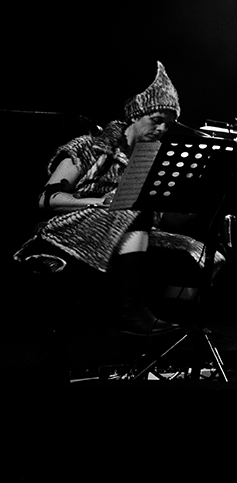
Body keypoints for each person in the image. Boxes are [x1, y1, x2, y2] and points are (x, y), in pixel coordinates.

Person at [14, 62, 208, 334]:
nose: (162, 129)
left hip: (128, 229)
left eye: (168, 124)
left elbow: (165, 219)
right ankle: (132, 311)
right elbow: (48, 199)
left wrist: (202, 201)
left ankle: (178, 325)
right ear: (135, 116)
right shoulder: (88, 146)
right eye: (156, 120)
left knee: (200, 254)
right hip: (69, 229)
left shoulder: (153, 161)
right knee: (132, 209)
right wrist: (101, 202)